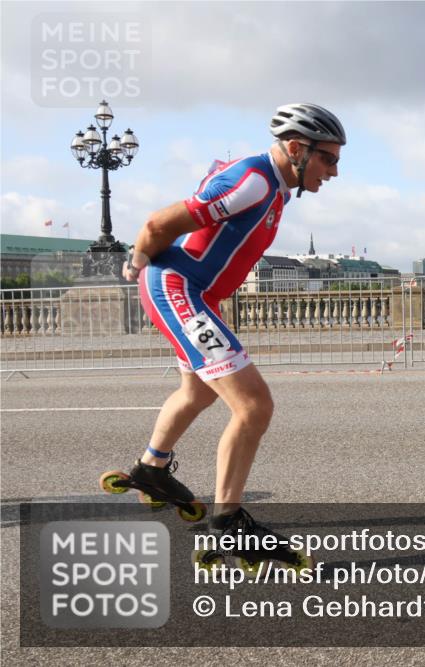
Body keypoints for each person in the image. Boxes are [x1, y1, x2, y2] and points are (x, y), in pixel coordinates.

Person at [117, 103, 345, 550]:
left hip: (198, 294)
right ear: (295, 148)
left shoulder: (276, 188)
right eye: (327, 159)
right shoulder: (255, 181)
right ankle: (227, 522)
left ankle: (151, 469)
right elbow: (159, 223)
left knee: (198, 392)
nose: (334, 171)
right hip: (181, 290)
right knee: (254, 405)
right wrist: (138, 256)